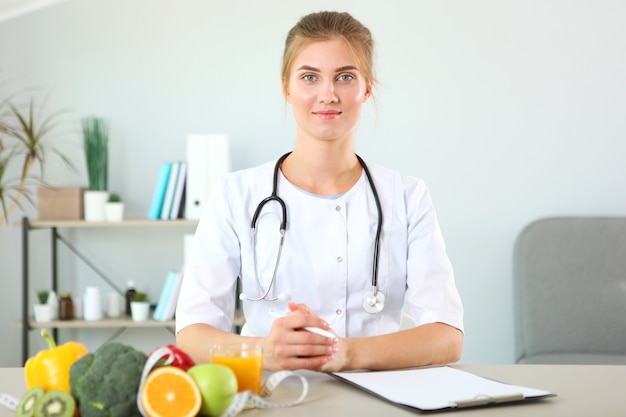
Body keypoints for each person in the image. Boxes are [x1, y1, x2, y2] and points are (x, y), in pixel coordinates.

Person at [176, 10, 463, 372]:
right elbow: (191, 331)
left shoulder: (407, 196)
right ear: (287, 87)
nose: (328, 94)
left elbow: (447, 336)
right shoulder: (237, 195)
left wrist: (349, 353)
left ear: (366, 88)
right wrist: (264, 351)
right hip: (274, 393)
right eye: (310, 77)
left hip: (382, 396)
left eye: (345, 77)